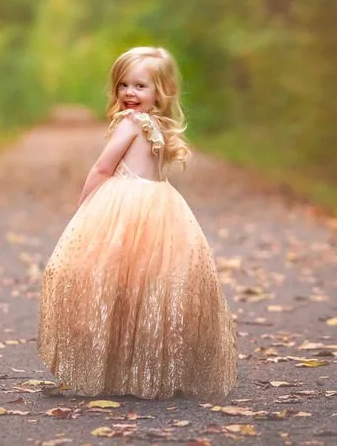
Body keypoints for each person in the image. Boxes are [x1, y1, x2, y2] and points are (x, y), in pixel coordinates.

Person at [37, 46, 238, 401]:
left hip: (125, 207)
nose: (130, 93)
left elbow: (103, 167)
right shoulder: (157, 124)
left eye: (141, 86)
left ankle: (119, 367)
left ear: (161, 91)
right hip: (160, 208)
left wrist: (84, 209)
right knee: (146, 285)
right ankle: (139, 368)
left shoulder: (131, 123)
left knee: (106, 280)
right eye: (123, 85)